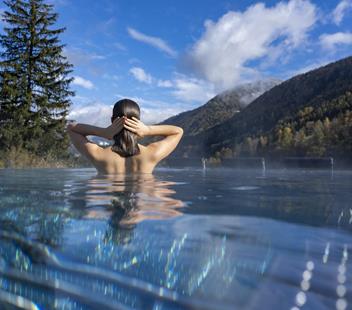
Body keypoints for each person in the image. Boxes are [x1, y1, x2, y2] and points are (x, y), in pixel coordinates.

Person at [67, 98, 183, 174]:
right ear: (139, 123)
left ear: (112, 121)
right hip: (142, 208)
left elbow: (71, 128)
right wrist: (147, 130)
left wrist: (104, 132)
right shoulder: (151, 154)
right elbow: (178, 131)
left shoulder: (98, 154)